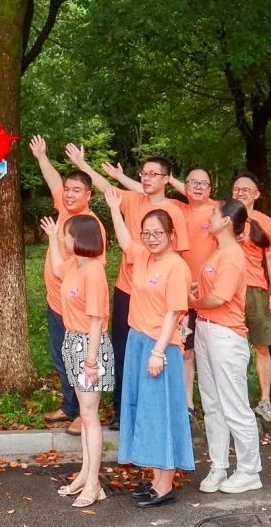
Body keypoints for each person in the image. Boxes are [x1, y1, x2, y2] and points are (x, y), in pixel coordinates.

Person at [65, 145, 188, 431]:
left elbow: (180, 256)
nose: (146, 178)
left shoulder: (174, 211)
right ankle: (123, 411)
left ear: (166, 179)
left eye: (153, 174)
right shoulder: (133, 200)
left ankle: (153, 415)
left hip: (159, 297)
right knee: (124, 352)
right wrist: (83, 164)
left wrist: (184, 305)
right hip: (128, 289)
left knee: (155, 353)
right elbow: (107, 189)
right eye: (143, 173)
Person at [103, 187, 194, 508]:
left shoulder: (177, 267)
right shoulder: (142, 254)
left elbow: (174, 313)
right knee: (144, 410)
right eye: (147, 233)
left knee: (161, 413)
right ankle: (155, 478)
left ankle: (165, 484)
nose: (152, 238)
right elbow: (125, 242)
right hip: (137, 341)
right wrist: (114, 209)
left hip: (160, 347)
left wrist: (158, 352)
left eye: (158, 233)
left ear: (171, 235)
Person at [28, 135, 106, 436]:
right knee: (62, 358)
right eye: (68, 190)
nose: (69, 195)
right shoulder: (64, 210)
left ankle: (85, 413)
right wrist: (42, 157)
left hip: (78, 310)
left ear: (88, 195)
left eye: (77, 190)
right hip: (56, 302)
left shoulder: (89, 224)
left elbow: (93, 271)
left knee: (80, 358)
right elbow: (54, 182)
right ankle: (70, 406)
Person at [189, 200, 266, 495]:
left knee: (234, 405)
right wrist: (197, 290)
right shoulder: (217, 250)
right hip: (206, 330)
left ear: (225, 221)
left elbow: (220, 298)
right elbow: (210, 287)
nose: (209, 215)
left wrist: (191, 302)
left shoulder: (233, 255)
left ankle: (249, 470)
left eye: (214, 212)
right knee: (212, 405)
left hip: (225, 335)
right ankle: (219, 466)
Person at [40, 213, 113, 509]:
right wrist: (51, 237)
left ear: (79, 237)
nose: (63, 238)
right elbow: (57, 267)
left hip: (89, 346)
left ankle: (94, 482)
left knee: (90, 417)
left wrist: (91, 361)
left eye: (66, 234)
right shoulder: (74, 264)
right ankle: (85, 475)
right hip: (73, 340)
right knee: (85, 414)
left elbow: (96, 320)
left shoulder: (93, 271)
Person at [163, 168, 218, 417]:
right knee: (181, 348)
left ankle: (210, 401)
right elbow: (146, 190)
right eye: (192, 183)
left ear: (211, 188)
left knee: (204, 351)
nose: (197, 187)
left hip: (209, 294)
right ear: (184, 187)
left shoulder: (219, 211)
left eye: (203, 183)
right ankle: (184, 402)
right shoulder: (176, 208)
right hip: (179, 292)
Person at [231, 172, 271, 423]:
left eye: (246, 189)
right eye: (236, 188)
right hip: (229, 290)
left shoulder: (265, 221)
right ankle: (236, 401)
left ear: (256, 194)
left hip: (256, 289)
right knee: (232, 348)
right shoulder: (225, 215)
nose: (240, 193)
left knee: (262, 346)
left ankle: (265, 401)